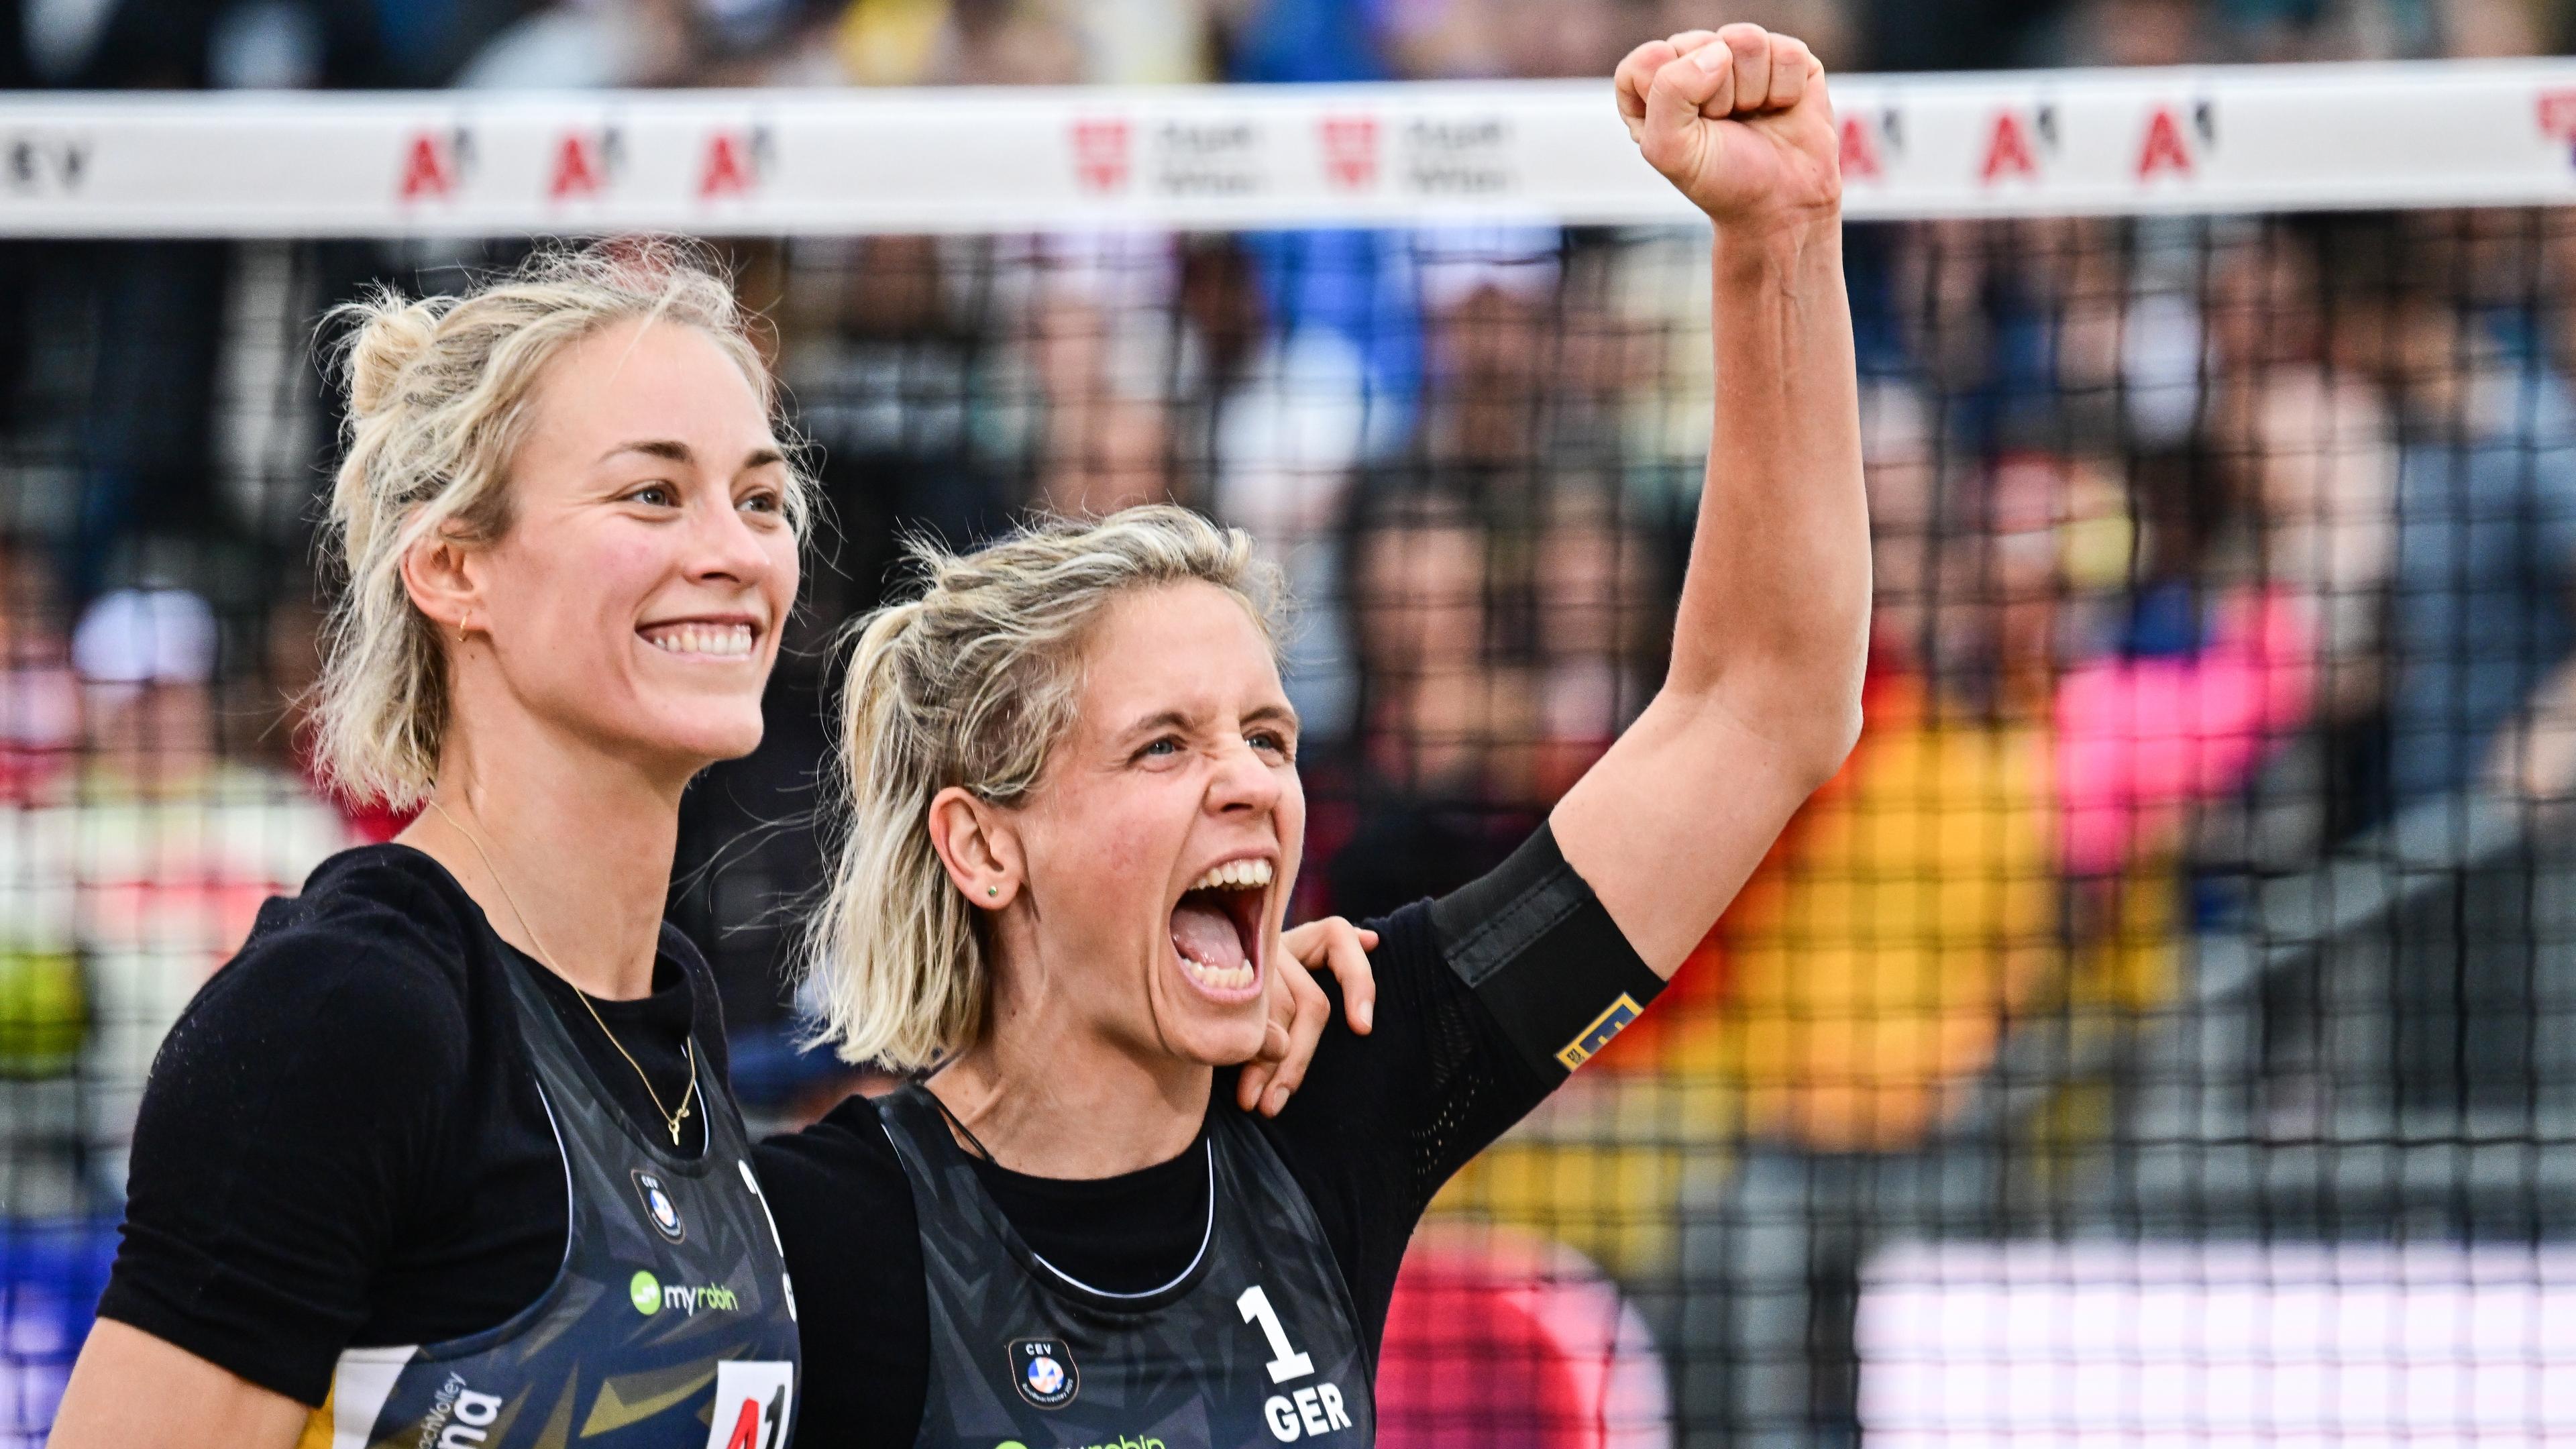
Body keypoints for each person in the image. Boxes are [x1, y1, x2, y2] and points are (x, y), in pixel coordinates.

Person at [42, 241, 1373, 1449]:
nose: (734, 551)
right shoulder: (346, 1011)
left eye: (759, 499)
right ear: (454, 568)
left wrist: (1207, 977)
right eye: (651, 494)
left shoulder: (660, 1033)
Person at [755, 23, 1869, 1448]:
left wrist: (1781, 234)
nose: (1249, 783)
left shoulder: (1337, 1098)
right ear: (981, 845)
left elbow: (1763, 707)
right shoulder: (822, 1239)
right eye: (1165, 746)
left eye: (1270, 738)